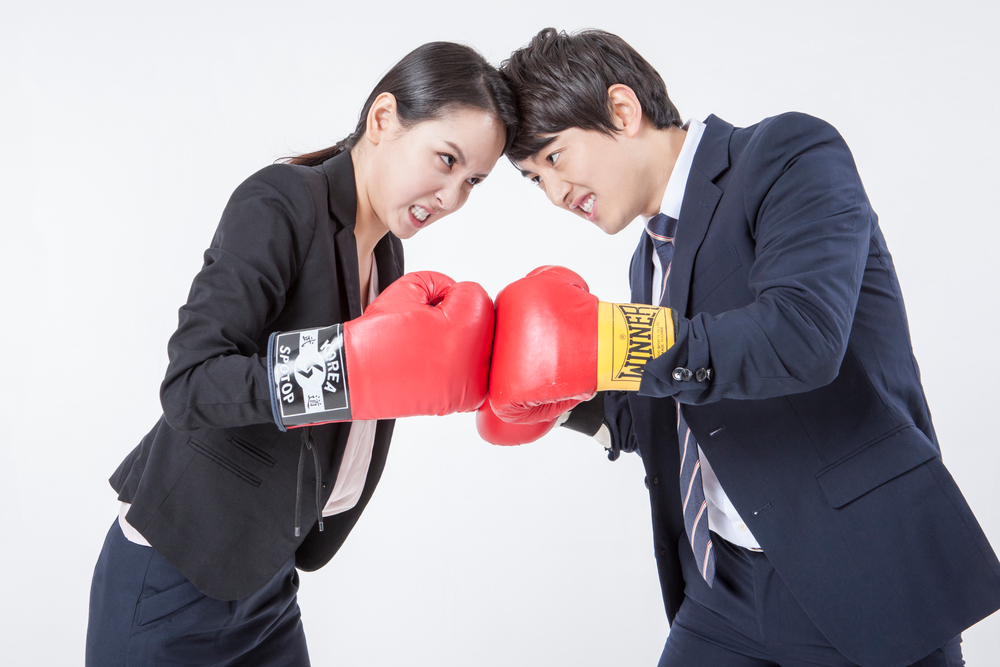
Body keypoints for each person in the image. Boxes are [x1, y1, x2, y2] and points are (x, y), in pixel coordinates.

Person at [479, 27, 1000, 667]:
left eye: (555, 157)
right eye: (535, 180)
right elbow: (677, 411)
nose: (556, 194)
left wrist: (608, 340)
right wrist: (538, 392)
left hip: (860, 575)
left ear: (621, 109)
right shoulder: (649, 258)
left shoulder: (787, 154)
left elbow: (801, 335)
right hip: (721, 591)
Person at [86, 41, 517, 666]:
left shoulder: (389, 257)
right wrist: (344, 367)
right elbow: (192, 383)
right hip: (176, 574)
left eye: (472, 181)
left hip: (266, 577)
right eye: (446, 160)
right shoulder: (283, 201)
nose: (452, 196)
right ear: (383, 118)